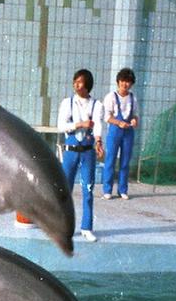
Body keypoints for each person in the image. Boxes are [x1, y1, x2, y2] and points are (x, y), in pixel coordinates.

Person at [57, 69, 104, 242]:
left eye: (80, 82)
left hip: (87, 153)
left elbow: (98, 125)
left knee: (88, 190)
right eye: (75, 81)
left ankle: (87, 227)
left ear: (88, 84)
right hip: (70, 152)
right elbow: (62, 125)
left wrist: (99, 141)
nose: (76, 84)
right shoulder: (67, 103)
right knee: (65, 191)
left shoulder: (96, 105)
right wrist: (80, 124)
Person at [102, 68, 139, 200]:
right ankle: (107, 190)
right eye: (123, 81)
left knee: (125, 161)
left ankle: (122, 190)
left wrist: (134, 120)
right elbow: (107, 117)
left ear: (131, 84)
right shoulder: (111, 97)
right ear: (118, 82)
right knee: (110, 160)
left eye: (128, 82)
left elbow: (135, 115)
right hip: (114, 131)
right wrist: (118, 123)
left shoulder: (133, 98)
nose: (125, 84)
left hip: (128, 132)